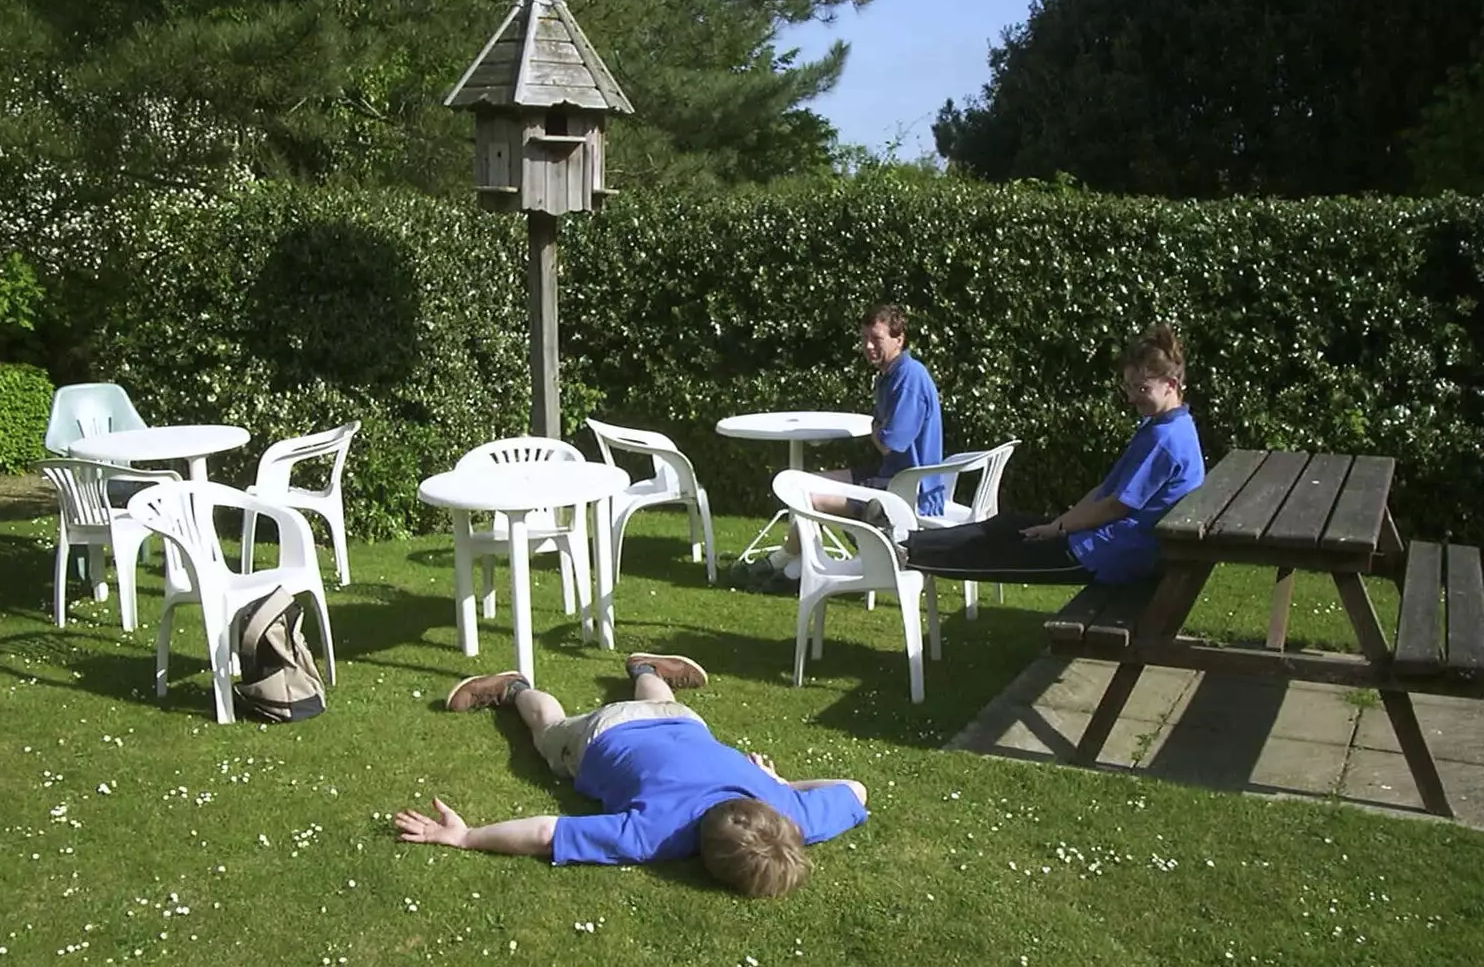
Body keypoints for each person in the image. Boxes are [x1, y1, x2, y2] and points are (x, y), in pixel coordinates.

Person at [392, 654, 868, 898]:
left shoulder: (791, 813)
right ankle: (515, 688)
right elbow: (544, 833)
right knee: (550, 732)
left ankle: (645, 667)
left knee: (659, 699)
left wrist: (783, 785)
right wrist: (466, 837)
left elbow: (853, 789)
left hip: (678, 720)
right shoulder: (657, 835)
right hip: (601, 738)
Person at [902, 322, 1204, 585]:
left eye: (1142, 389)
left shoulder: (1165, 441)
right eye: (1128, 387)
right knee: (1005, 525)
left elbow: (1115, 507)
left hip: (1110, 555)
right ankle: (906, 540)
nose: (1131, 397)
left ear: (1171, 385)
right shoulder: (1164, 426)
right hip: (1104, 539)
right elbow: (1105, 491)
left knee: (994, 556)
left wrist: (1059, 528)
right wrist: (1060, 524)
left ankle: (903, 554)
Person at [757, 303, 944, 584]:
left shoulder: (909, 379)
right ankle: (793, 566)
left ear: (899, 339)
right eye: (864, 338)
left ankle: (788, 569)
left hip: (905, 491)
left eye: (877, 339)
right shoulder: (891, 374)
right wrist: (877, 428)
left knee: (810, 498)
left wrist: (874, 428)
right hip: (888, 477)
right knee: (804, 485)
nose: (868, 346)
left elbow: (889, 445)